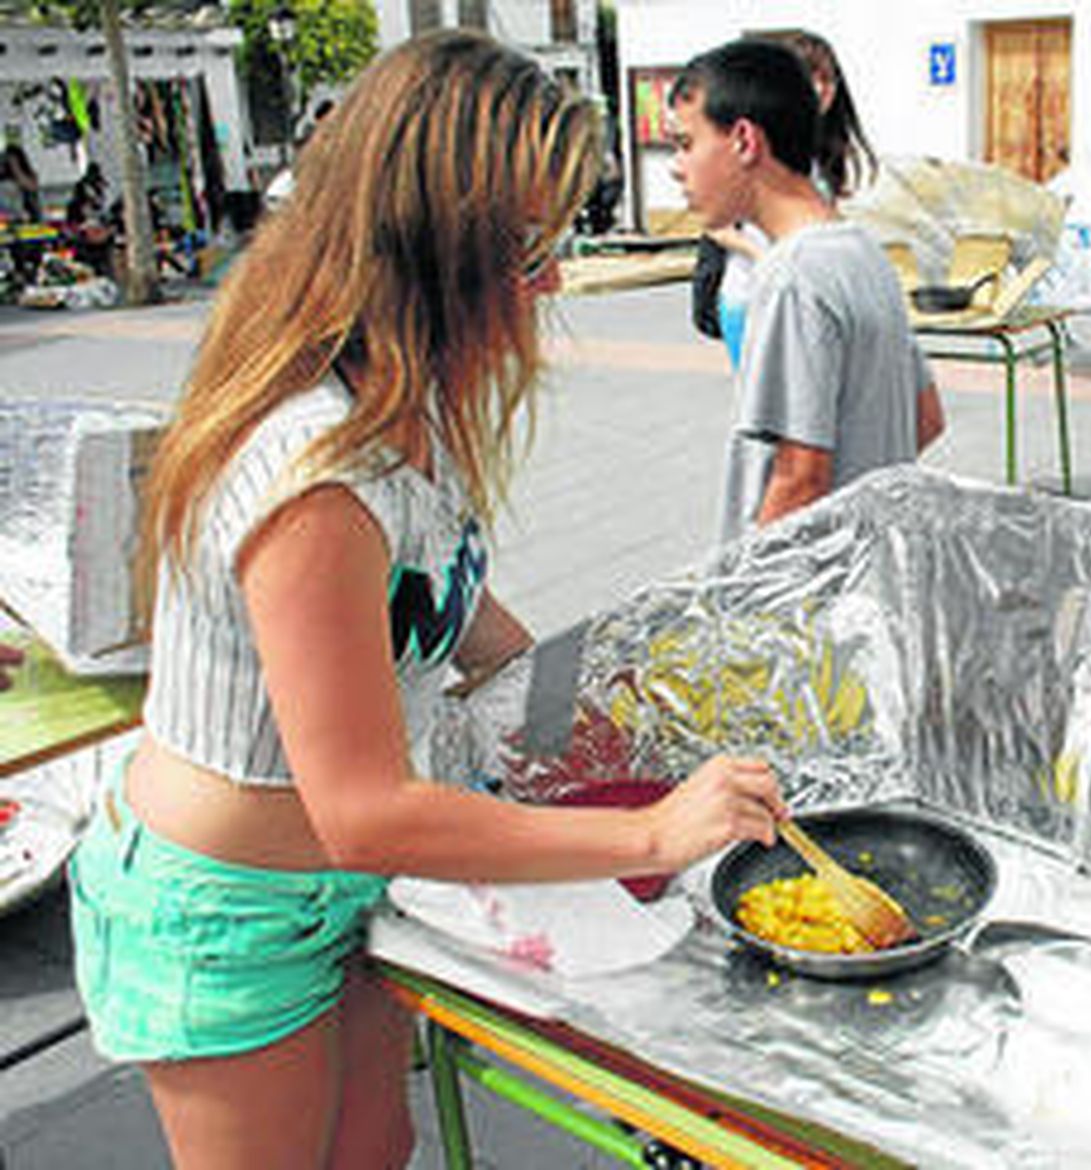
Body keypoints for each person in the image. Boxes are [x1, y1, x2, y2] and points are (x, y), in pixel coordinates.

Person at [68, 32, 785, 1170]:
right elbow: (363, 807)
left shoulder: (405, 402)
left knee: (376, 1148)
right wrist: (649, 831)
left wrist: (591, 720)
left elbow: (454, 608)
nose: (552, 282)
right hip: (228, 914)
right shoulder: (313, 477)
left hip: (340, 882)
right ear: (433, 248)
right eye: (531, 249)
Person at [668, 39, 944, 543]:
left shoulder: (791, 277)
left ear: (744, 141)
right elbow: (926, 418)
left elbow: (801, 477)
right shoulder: (864, 251)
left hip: (808, 583)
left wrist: (741, 583)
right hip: (870, 562)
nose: (675, 166)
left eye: (686, 143)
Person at [704, 29, 878, 365]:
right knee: (771, 395)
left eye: (829, 79)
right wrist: (765, 255)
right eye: (812, 78)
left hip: (806, 298)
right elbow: (713, 225)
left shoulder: (825, 151)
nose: (822, 89)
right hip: (751, 297)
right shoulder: (753, 145)